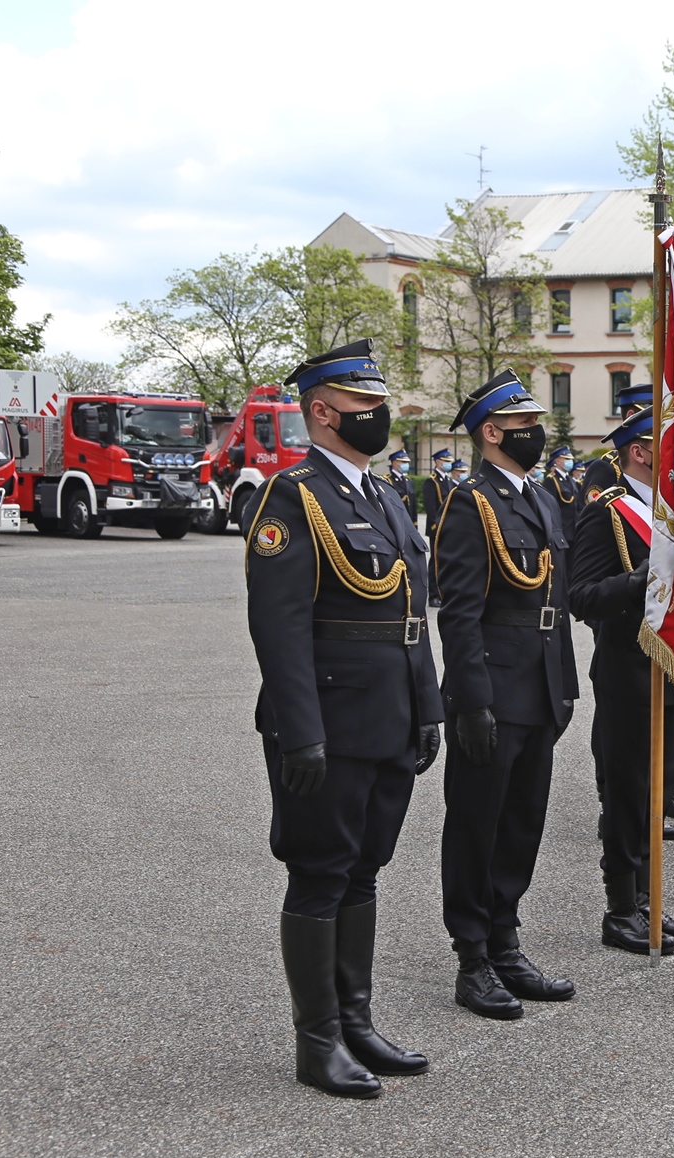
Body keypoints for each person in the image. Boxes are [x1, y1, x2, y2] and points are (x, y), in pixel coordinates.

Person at [242, 339, 441, 1099]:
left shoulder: (384, 496)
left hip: (389, 716)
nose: (380, 418)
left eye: (379, 407)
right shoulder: (290, 499)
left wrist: (428, 708)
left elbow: (409, 616)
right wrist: (302, 730)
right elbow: (280, 627)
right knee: (321, 874)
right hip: (327, 720)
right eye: (365, 408)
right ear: (322, 413)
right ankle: (317, 1040)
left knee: (365, 870)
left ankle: (356, 1020)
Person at [432, 369, 579, 1019]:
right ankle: (473, 957)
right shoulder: (471, 503)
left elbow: (556, 602)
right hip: (493, 687)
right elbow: (458, 614)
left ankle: (508, 939)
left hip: (540, 686)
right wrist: (470, 701)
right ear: (491, 433)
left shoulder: (542, 498)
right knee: (477, 826)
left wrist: (567, 685)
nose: (536, 434)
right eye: (523, 426)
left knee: (521, 824)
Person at [569, 407, 674, 952]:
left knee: (658, 792)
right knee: (627, 794)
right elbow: (580, 596)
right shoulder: (610, 512)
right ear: (640, 452)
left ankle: (649, 900)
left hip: (671, 668)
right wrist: (637, 580)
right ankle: (621, 908)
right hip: (628, 670)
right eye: (666, 443)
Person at [423, 449, 454, 537]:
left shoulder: (448, 480)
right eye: (446, 461)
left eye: (450, 461)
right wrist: (435, 523)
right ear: (438, 462)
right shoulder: (432, 481)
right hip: (437, 525)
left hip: (448, 524)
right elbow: (430, 505)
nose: (449, 464)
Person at [381, 449, 417, 522]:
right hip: (395, 521)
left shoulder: (408, 481)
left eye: (407, 462)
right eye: (403, 462)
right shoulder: (387, 480)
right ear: (394, 463)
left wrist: (414, 523)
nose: (406, 464)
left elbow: (413, 504)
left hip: (408, 521)